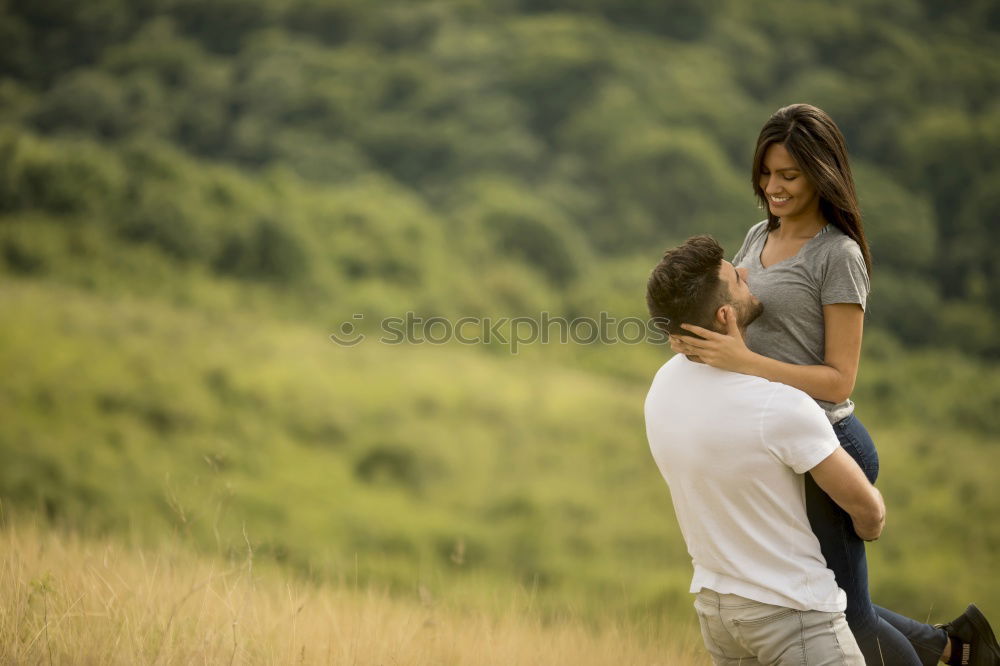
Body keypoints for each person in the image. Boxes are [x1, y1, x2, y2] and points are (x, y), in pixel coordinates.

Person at [666, 104, 998, 665]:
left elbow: (838, 380)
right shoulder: (757, 236)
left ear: (822, 175)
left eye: (789, 176)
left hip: (828, 440)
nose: (773, 187)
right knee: (827, 596)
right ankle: (958, 646)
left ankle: (951, 651)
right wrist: (696, 340)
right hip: (780, 442)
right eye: (766, 174)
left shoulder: (837, 256)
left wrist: (740, 361)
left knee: (845, 613)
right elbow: (737, 323)